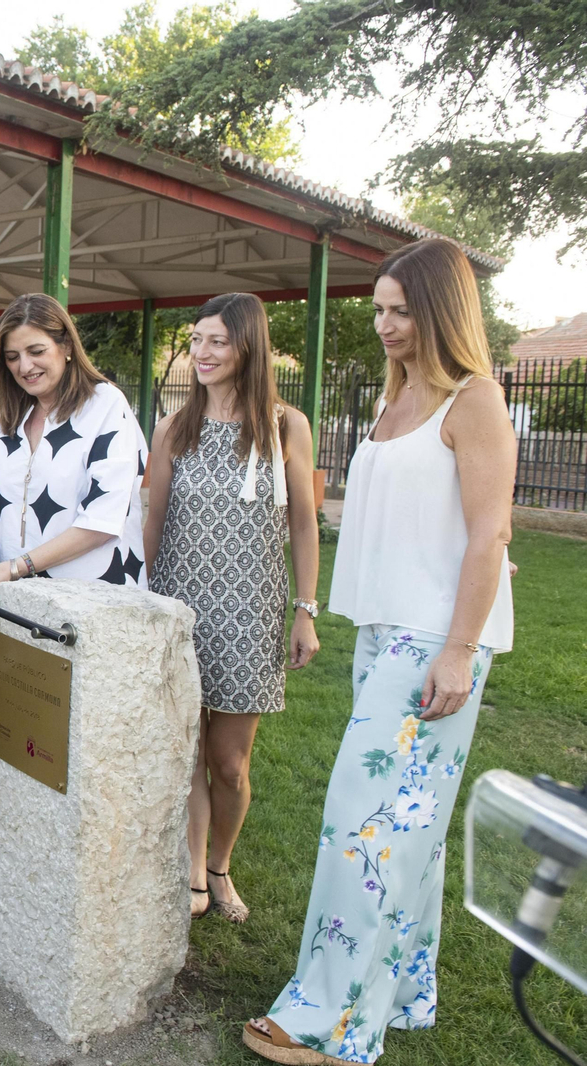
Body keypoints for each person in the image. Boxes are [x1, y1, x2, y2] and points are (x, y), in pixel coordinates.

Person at [243, 240, 516, 1065]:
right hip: (384, 634)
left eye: (401, 310)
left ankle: (329, 1018)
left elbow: (490, 532)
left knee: (359, 824)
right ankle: (406, 989)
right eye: (378, 310)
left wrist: (460, 650)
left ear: (440, 311)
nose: (386, 325)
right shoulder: (397, 401)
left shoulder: (476, 401)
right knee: (409, 829)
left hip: (435, 640)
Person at [145, 293, 321, 924]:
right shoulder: (173, 425)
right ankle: (193, 869)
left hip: (252, 607)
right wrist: (147, 602)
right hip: (180, 603)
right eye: (195, 341)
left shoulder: (286, 426)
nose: (202, 353)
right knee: (187, 746)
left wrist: (305, 610)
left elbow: (304, 524)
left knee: (230, 760)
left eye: (216, 341)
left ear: (248, 345)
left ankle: (221, 865)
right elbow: (154, 518)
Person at [0, 293, 148, 592]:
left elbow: (103, 519)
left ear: (67, 347)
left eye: (36, 351)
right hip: (12, 597)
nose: (24, 366)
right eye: (12, 357)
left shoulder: (106, 405)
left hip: (91, 599)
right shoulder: (12, 415)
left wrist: (17, 567)